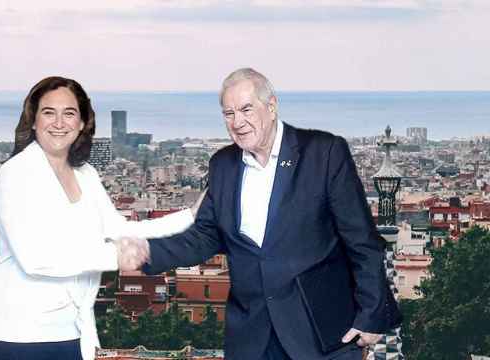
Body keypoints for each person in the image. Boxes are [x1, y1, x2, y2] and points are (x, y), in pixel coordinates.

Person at [124, 68, 402, 360]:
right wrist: (146, 252)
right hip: (252, 338)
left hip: (322, 333)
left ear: (271, 106)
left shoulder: (323, 152)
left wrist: (371, 316)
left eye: (246, 109)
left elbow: (361, 239)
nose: (238, 122)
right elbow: (205, 236)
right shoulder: (223, 164)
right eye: (228, 113)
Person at [0, 76, 201, 360]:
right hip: (14, 336)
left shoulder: (85, 174)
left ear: (82, 123)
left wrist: (190, 216)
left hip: (69, 333)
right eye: (48, 113)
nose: (59, 123)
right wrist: (114, 258)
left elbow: (119, 228)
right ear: (32, 121)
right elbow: (35, 258)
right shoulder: (16, 174)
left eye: (69, 113)